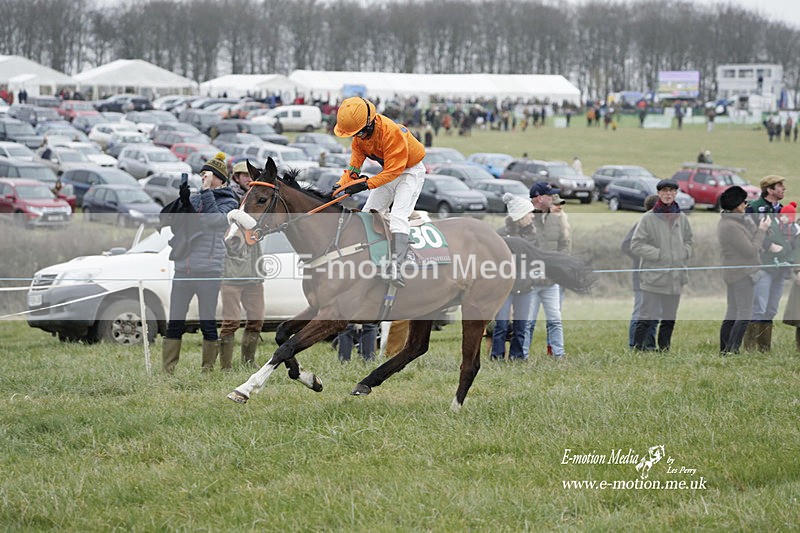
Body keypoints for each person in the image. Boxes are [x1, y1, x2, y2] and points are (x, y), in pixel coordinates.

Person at [333, 96, 426, 287]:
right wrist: (340, 185)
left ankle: (396, 268)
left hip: (409, 171)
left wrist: (365, 185)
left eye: (358, 133)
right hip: (389, 171)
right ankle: (370, 258)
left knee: (398, 216)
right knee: (368, 213)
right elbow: (354, 168)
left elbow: (395, 171)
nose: (356, 137)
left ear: (368, 123)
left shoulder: (391, 132)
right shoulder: (359, 139)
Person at [160, 153, 238, 373]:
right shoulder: (196, 198)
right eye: (202, 174)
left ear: (221, 179)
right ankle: (168, 370)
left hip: (209, 271)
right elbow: (179, 226)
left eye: (208, 174)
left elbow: (214, 221)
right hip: (183, 270)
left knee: (207, 323)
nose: (203, 176)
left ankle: (207, 370)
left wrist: (205, 193)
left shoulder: (229, 202)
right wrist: (183, 201)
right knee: (174, 322)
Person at [630, 179, 693, 351]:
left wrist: (684, 253)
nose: (668, 194)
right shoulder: (648, 218)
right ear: (658, 193)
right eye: (664, 191)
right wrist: (659, 255)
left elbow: (689, 240)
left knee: (669, 318)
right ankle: (637, 349)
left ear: (676, 193)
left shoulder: (682, 217)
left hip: (676, 276)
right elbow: (636, 245)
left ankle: (664, 349)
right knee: (646, 317)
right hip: (654, 276)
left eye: (672, 191)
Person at [219, 161, 264, 369]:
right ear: (236, 178)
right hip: (231, 272)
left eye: (250, 175)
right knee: (231, 322)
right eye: (243, 175)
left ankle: (248, 363)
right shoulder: (229, 200)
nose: (248, 178)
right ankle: (226, 366)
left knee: (256, 321)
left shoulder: (258, 201)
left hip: (253, 271)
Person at [718, 186, 770, 355]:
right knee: (744, 313)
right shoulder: (732, 226)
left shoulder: (734, 222)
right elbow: (750, 250)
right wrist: (762, 231)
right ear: (736, 205)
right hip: (742, 275)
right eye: (743, 202)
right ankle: (732, 349)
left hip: (736, 273)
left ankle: (725, 350)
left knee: (733, 311)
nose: (746, 205)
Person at [744, 175, 789, 351]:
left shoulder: (784, 211)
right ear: (769, 190)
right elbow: (748, 232)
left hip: (780, 267)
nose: (783, 189)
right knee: (759, 307)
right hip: (762, 266)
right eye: (780, 186)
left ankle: (764, 348)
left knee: (771, 309)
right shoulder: (754, 208)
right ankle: (750, 347)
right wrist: (767, 245)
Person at [526, 182, 570, 359]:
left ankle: (558, 354)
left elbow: (564, 244)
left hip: (551, 280)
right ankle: (522, 354)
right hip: (530, 281)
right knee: (528, 322)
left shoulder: (557, 218)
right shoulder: (525, 218)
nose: (552, 198)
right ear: (539, 198)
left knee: (555, 320)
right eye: (549, 195)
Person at [492, 193, 537, 360]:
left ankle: (517, 357)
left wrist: (534, 275)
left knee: (521, 325)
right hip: (505, 288)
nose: (532, 216)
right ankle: (497, 356)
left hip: (526, 287)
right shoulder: (501, 234)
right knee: (501, 324)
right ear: (520, 216)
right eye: (529, 213)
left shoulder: (533, 234)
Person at [621, 194, 659, 349]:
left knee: (655, 315)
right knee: (640, 313)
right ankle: (634, 346)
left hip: (658, 279)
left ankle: (649, 346)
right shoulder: (642, 224)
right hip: (642, 278)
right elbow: (626, 245)